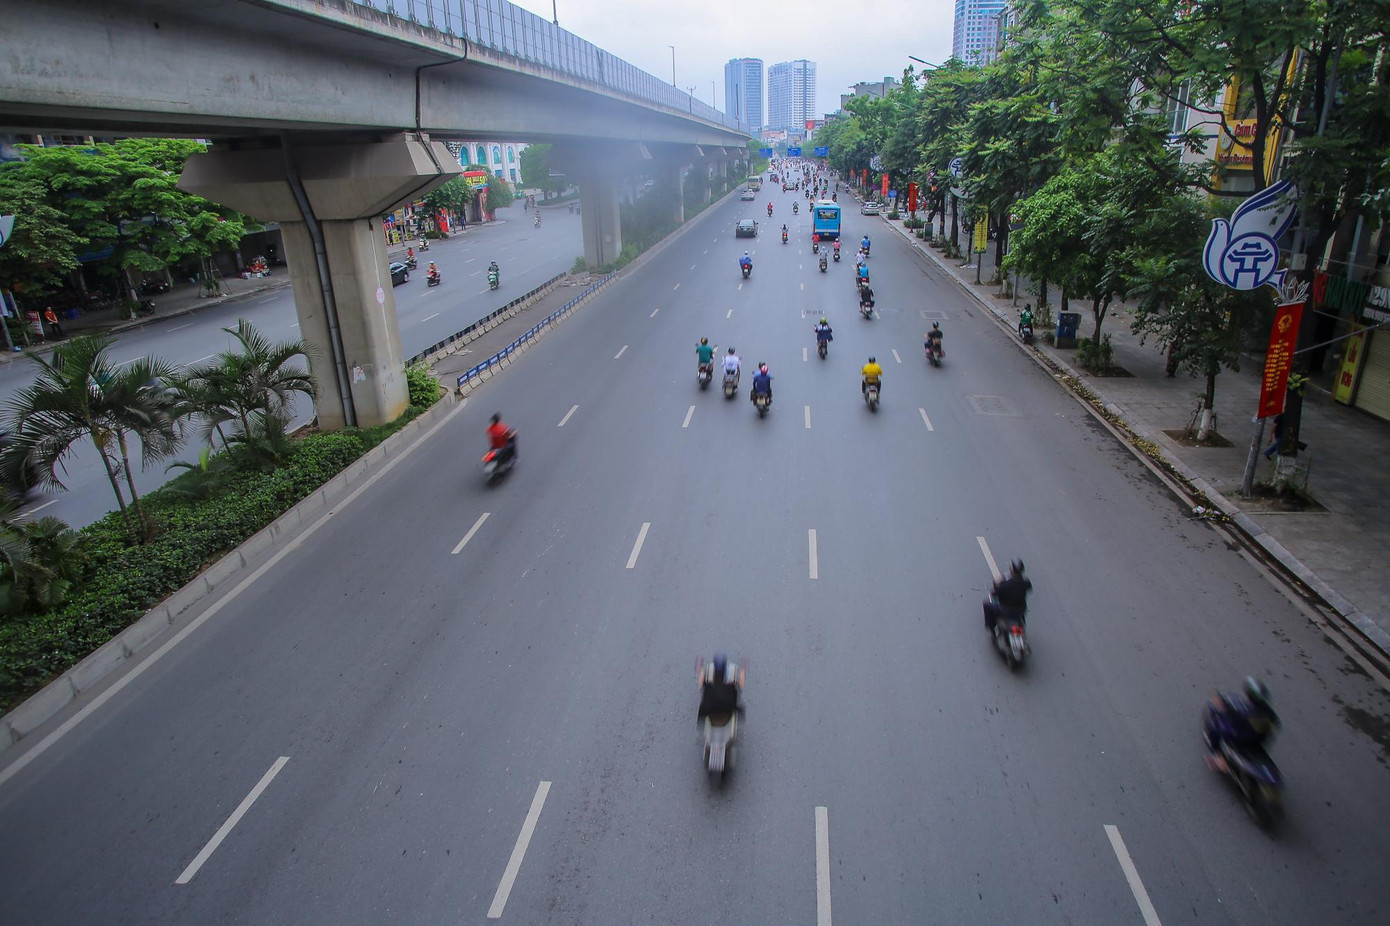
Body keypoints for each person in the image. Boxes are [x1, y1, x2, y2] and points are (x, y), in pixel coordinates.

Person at [1205, 678, 1281, 770]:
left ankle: (1218, 757)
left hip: (1241, 736)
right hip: (1260, 739)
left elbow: (1232, 716)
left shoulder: (1247, 713)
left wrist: (1221, 705)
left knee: (1214, 726)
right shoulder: (1267, 710)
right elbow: (1276, 723)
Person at [984, 559, 1032, 633]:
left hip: (1005, 610)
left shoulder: (1005, 585)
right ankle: (1021, 622)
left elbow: (994, 593)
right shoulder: (1026, 583)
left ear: (1012, 569)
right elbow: (1029, 588)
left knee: (986, 604)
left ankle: (991, 628)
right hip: (1020, 609)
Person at [698, 652, 743, 721]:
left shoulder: (708, 686)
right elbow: (740, 687)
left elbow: (701, 687)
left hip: (711, 715)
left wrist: (701, 672)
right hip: (727, 714)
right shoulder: (730, 686)